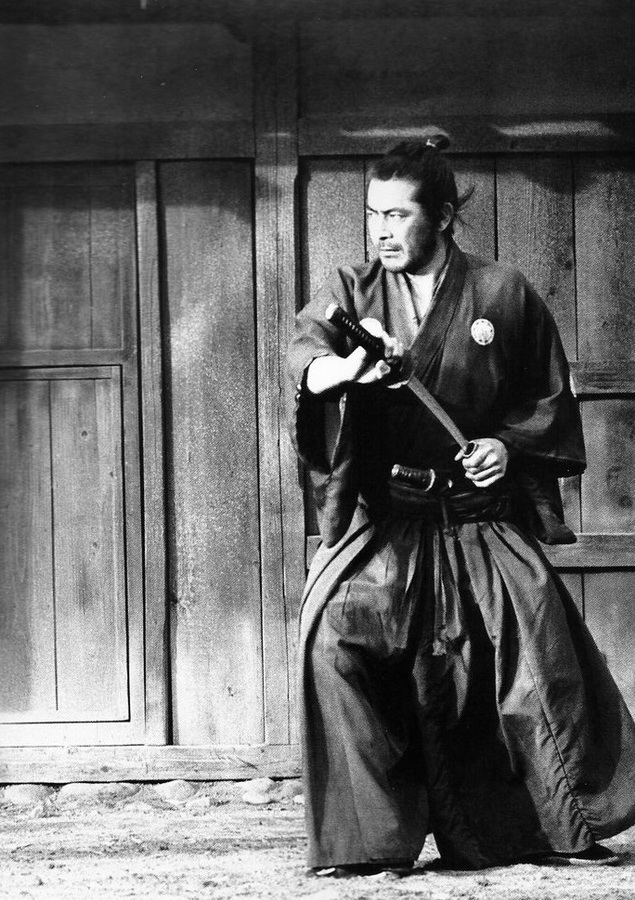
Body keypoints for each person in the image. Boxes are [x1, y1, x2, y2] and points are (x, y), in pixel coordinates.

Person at [287, 136, 635, 876]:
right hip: (386, 521)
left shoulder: (502, 293)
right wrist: (343, 370)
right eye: (373, 214)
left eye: (398, 215)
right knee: (332, 639)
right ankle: (367, 844)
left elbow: (546, 402)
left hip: (476, 516)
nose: (382, 231)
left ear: (442, 216)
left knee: (535, 649)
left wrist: (506, 448)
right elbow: (305, 360)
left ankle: (548, 829)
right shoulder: (350, 290)